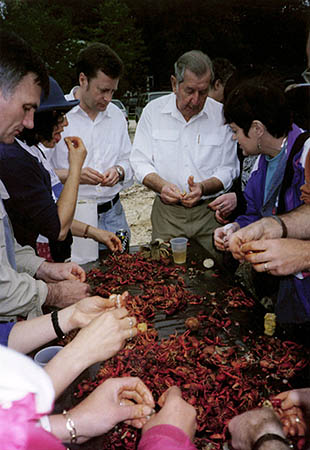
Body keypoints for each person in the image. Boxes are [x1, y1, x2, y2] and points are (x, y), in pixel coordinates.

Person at [0, 30, 90, 321]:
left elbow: (7, 246)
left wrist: (42, 268)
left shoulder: (22, 151)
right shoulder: (12, 157)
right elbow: (57, 226)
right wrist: (52, 292)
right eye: (26, 108)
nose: (27, 121)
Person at [213, 78, 310, 325]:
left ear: (257, 129)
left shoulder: (305, 153)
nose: (234, 138)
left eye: (235, 130)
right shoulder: (261, 162)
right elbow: (255, 213)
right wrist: (235, 229)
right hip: (290, 291)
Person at [130, 50, 239, 263]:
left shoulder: (222, 115)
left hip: (210, 215)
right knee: (164, 276)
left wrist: (203, 187)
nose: (196, 100)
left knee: (215, 275)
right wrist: (161, 186)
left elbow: (229, 168)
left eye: (203, 92)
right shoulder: (153, 112)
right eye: (189, 91)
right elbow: (139, 161)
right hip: (167, 216)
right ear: (174, 84)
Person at [0, 76, 122, 263]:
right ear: (41, 118)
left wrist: (95, 233)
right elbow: (58, 228)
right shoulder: (16, 160)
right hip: (37, 261)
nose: (65, 124)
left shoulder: (33, 151)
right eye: (60, 117)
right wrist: (75, 168)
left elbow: (50, 212)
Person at [49, 43, 133, 250]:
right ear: (83, 80)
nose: (108, 98)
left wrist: (119, 171)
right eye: (103, 90)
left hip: (113, 215)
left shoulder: (116, 116)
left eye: (113, 91)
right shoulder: (56, 114)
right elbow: (40, 171)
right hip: (72, 218)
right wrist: (73, 174)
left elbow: (130, 161)